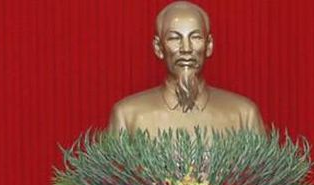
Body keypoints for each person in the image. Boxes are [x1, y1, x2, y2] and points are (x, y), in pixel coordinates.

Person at [108, 1, 265, 135]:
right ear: (158, 48)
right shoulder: (127, 116)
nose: (186, 49)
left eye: (196, 37)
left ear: (209, 45)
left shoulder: (244, 115)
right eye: (174, 38)